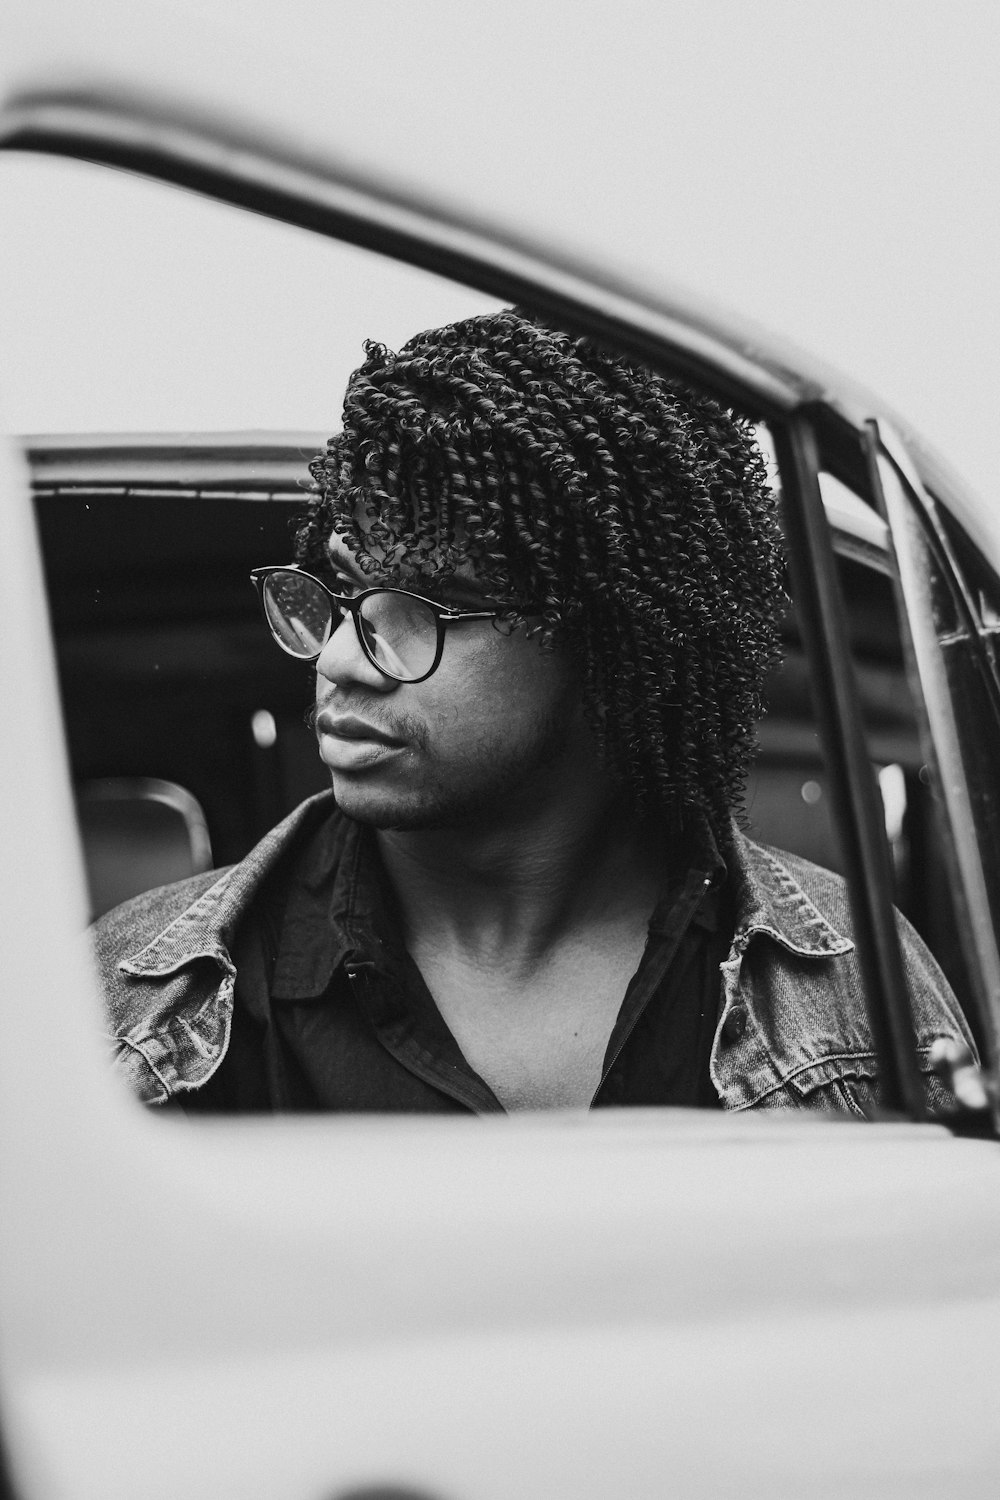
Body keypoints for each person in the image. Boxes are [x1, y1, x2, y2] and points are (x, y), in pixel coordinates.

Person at [92, 309, 974, 1116]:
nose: (338, 660)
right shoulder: (117, 1004)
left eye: (427, 606)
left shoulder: (863, 984)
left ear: (610, 641)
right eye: (348, 594)